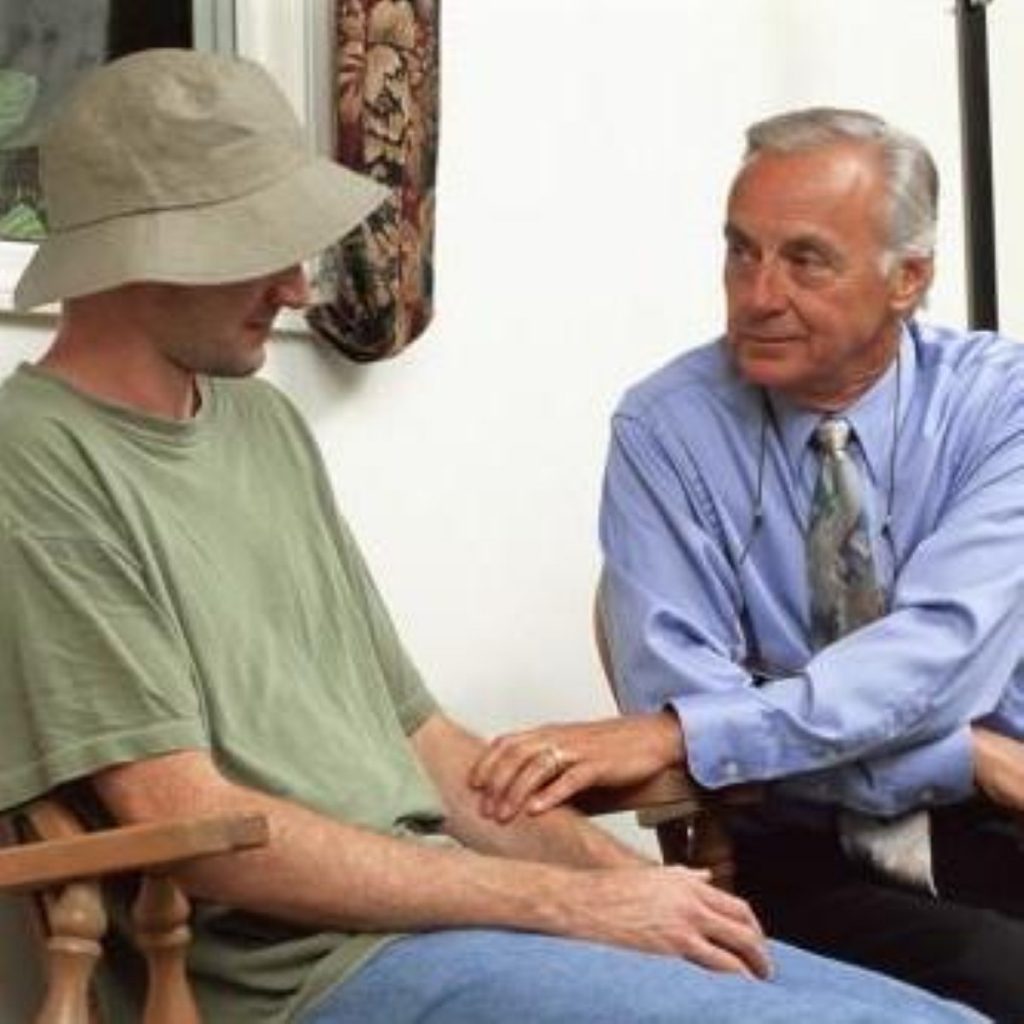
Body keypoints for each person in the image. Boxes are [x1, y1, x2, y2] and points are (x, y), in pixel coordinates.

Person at [0, 53, 983, 1024]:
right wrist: (569, 900)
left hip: (454, 917)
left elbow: (421, 739)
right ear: (146, 251)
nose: (297, 289)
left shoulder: (261, 427)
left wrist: (647, 893)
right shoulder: (34, 460)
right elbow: (186, 822)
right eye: (260, 247)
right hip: (305, 973)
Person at [470, 107, 1024, 1023]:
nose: (757, 294)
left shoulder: (999, 405)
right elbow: (691, 720)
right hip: (797, 851)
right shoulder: (665, 430)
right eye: (740, 252)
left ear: (908, 278)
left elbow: (939, 658)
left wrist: (715, 727)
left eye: (805, 259)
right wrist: (961, 754)